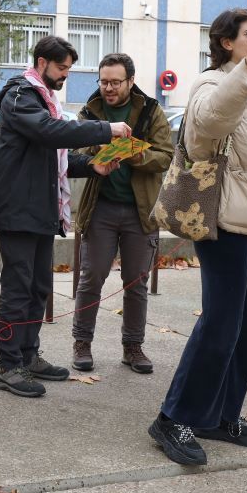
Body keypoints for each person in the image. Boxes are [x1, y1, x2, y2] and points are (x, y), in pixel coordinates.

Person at [148, 8, 247, 466]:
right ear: (226, 43)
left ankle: (221, 413)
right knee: (221, 322)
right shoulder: (213, 84)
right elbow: (209, 126)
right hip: (227, 221)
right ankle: (174, 416)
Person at [0, 36, 131, 398]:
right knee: (17, 290)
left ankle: (28, 356)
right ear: (41, 63)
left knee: (38, 289)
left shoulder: (45, 100)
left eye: (68, 68)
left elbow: (52, 161)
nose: (66, 75)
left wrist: (92, 165)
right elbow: (49, 133)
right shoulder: (20, 95)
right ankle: (8, 366)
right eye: (62, 67)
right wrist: (104, 129)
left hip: (40, 210)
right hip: (17, 210)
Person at [70, 53, 173, 376]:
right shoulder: (90, 111)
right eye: (104, 82)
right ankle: (81, 343)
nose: (109, 88)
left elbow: (166, 156)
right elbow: (75, 150)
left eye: (115, 82)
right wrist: (103, 146)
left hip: (140, 211)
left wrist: (129, 152)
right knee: (91, 278)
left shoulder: (152, 110)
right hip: (100, 208)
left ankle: (133, 347)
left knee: (136, 283)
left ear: (131, 81)